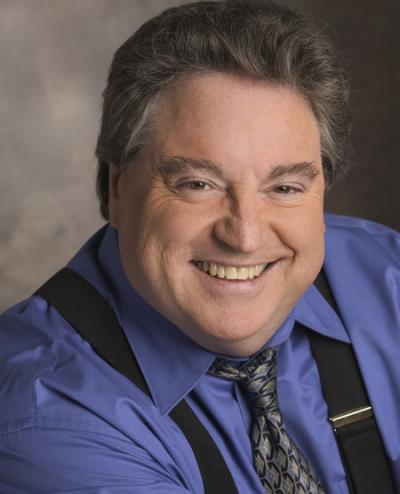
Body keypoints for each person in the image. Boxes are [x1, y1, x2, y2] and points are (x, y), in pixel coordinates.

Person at [0, 1, 399, 493]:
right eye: (197, 184)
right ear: (118, 187)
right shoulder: (44, 416)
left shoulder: (388, 276)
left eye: (285, 188)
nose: (245, 237)